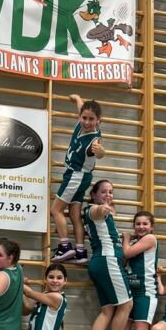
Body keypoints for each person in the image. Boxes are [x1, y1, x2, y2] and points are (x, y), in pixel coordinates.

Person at [79, 180, 132, 330]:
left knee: (108, 310)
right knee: (127, 304)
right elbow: (98, 211)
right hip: (107, 261)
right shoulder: (93, 210)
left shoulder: (98, 212)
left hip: (100, 263)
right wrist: (104, 208)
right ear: (93, 194)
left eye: (111, 192)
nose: (108, 195)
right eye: (103, 191)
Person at [106, 210, 159, 330]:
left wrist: (126, 239)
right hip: (130, 292)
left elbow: (126, 252)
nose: (141, 227)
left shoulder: (150, 239)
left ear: (151, 227)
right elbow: (123, 258)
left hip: (145, 292)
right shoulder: (136, 242)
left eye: (145, 223)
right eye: (138, 224)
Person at [50, 94, 105, 264]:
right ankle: (80, 251)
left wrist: (101, 151)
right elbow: (82, 107)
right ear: (79, 116)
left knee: (56, 210)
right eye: (84, 118)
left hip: (76, 176)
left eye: (91, 119)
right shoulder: (80, 124)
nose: (87, 122)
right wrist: (78, 98)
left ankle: (65, 246)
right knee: (74, 214)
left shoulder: (93, 140)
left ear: (98, 120)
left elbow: (100, 152)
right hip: (82, 178)